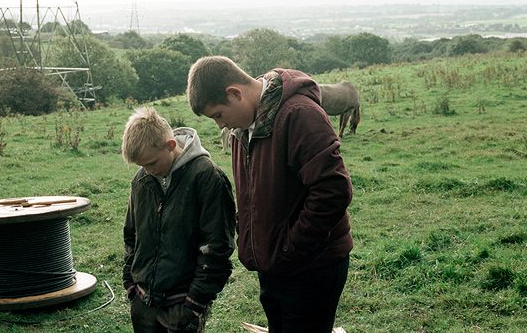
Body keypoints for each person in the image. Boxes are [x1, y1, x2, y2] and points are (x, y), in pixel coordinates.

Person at [187, 56, 353, 333]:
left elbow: (333, 190)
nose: (220, 125)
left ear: (235, 93)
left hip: (310, 268)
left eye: (218, 114)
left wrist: (290, 247)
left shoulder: (299, 114)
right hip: (274, 266)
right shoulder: (244, 127)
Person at [121, 106, 236, 333]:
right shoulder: (141, 179)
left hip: (182, 307)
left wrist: (194, 304)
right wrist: (131, 285)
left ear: (171, 146)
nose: (147, 170)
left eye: (151, 163)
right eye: (141, 166)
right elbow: (131, 234)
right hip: (142, 303)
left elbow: (218, 247)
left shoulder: (207, 177)